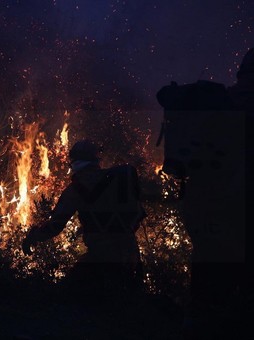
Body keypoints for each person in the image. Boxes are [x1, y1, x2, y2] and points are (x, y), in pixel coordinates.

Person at [156, 48, 252, 338]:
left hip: (201, 207)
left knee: (208, 272)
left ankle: (196, 322)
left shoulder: (219, 103)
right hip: (239, 208)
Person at [22, 139, 146, 297]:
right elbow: (137, 214)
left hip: (101, 257)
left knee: (66, 298)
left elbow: (55, 226)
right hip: (131, 254)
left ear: (74, 162)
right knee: (127, 307)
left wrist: (32, 237)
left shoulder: (76, 189)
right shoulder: (116, 180)